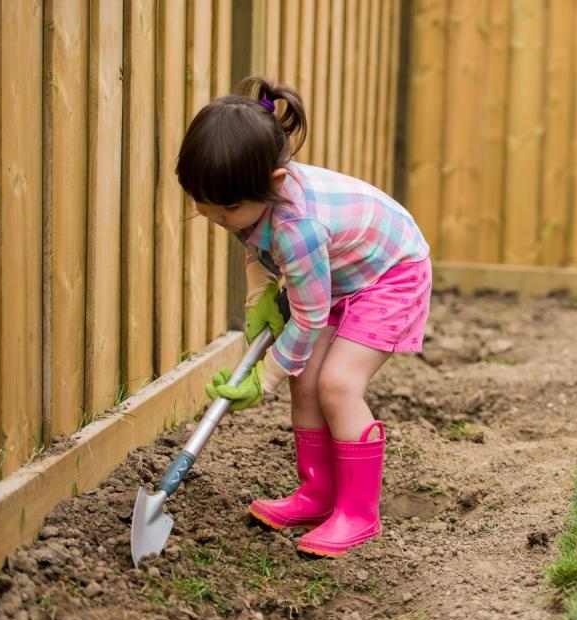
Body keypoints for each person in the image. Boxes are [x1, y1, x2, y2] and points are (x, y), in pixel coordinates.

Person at [175, 75, 431, 557]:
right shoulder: (243, 202)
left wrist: (264, 378)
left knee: (336, 384)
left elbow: (309, 320)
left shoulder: (298, 226)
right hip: (336, 276)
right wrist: (258, 308)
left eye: (225, 208)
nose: (215, 217)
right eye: (202, 206)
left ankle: (359, 513)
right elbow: (255, 249)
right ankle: (317, 494)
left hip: (390, 275)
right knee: (306, 378)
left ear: (274, 184)